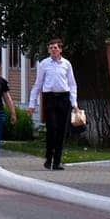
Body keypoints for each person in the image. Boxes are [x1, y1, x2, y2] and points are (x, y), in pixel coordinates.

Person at [28, 38, 79, 170]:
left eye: (55, 47)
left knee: (61, 131)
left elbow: (72, 85)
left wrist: (74, 103)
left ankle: (57, 161)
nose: (53, 50)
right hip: (50, 98)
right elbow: (38, 84)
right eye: (51, 48)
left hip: (63, 98)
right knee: (52, 129)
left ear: (60, 49)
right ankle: (48, 158)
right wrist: (32, 104)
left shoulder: (66, 64)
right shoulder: (44, 64)